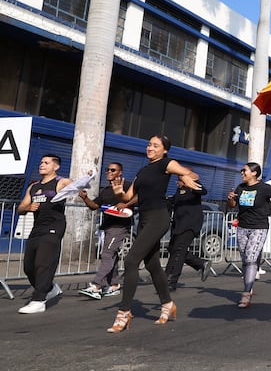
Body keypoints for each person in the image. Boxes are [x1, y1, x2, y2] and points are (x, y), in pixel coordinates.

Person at [106, 135, 200, 332]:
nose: (150, 147)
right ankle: (167, 304)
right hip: (144, 218)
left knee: (131, 261)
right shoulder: (142, 171)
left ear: (164, 150)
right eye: (149, 144)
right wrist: (118, 192)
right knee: (152, 264)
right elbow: (129, 196)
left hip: (158, 218)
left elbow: (192, 175)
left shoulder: (167, 163)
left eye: (155, 145)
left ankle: (124, 313)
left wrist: (184, 177)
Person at [228, 162, 271, 308]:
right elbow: (233, 206)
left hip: (258, 227)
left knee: (252, 258)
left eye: (244, 170)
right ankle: (249, 286)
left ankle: (246, 293)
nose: (242, 173)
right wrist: (231, 199)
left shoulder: (264, 188)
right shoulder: (241, 187)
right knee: (246, 260)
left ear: (254, 173)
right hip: (242, 227)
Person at [16, 154, 73, 314]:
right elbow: (21, 208)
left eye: (46, 163)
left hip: (54, 227)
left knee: (43, 263)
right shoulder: (33, 187)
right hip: (37, 229)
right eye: (41, 162)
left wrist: (86, 180)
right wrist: (28, 208)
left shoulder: (60, 182)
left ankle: (39, 300)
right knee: (29, 267)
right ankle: (49, 288)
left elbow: (75, 185)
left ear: (56, 167)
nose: (42, 164)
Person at [78, 162, 132, 300]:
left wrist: (125, 203)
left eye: (112, 170)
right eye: (107, 170)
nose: (109, 172)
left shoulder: (126, 185)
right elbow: (95, 206)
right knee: (110, 255)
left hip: (119, 227)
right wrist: (85, 198)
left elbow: (139, 197)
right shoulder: (106, 190)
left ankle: (96, 286)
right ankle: (114, 285)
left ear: (120, 173)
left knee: (107, 254)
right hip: (106, 227)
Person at [164, 176, 213, 291]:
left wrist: (190, 183)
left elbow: (203, 191)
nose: (177, 183)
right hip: (178, 226)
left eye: (179, 180)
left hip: (189, 225)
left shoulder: (193, 188)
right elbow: (171, 202)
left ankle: (170, 281)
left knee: (179, 252)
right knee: (173, 249)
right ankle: (201, 263)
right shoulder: (179, 192)